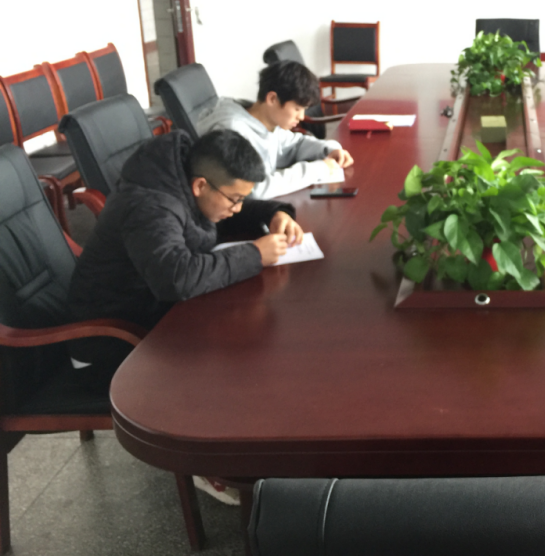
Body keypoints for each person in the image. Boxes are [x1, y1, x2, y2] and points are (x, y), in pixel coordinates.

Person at [66, 129, 302, 376]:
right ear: (200, 185)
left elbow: (215, 212)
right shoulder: (150, 208)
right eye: (235, 199)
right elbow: (177, 278)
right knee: (235, 367)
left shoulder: (182, 179)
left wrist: (273, 213)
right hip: (110, 346)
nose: (238, 208)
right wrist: (255, 255)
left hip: (153, 313)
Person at [196, 60, 353, 199]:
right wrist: (319, 169)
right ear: (272, 99)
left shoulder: (267, 122)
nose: (302, 116)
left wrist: (328, 149)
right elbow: (253, 189)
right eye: (297, 109)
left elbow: (296, 144)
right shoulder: (233, 131)